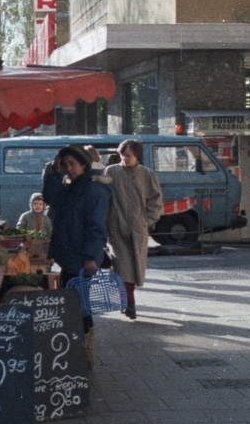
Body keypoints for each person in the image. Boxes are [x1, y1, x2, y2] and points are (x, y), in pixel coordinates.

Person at [42, 144, 111, 367]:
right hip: (69, 256)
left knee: (80, 305)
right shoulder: (73, 187)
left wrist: (90, 257)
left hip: (82, 258)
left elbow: (96, 227)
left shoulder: (93, 189)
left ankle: (84, 352)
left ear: (84, 164)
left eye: (73, 164)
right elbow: (51, 198)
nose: (69, 168)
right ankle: (77, 349)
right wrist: (55, 170)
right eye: (66, 164)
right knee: (74, 304)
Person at [104, 138, 163, 320]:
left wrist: (148, 219)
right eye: (122, 155)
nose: (124, 159)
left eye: (128, 155)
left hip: (138, 227)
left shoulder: (147, 175)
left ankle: (127, 300)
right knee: (122, 265)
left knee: (135, 265)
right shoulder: (112, 171)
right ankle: (129, 302)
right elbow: (104, 197)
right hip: (116, 225)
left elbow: (156, 199)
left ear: (136, 155)